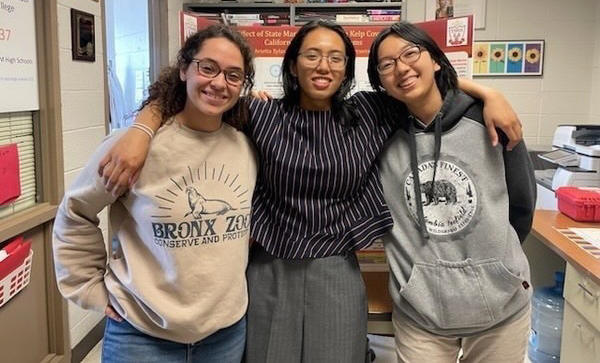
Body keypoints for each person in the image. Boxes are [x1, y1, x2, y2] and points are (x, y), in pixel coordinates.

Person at [97, 20, 523, 362]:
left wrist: (490, 93)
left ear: (347, 70)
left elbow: (423, 86)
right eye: (312, 55)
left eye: (336, 58)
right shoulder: (260, 114)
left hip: (336, 267)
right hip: (268, 267)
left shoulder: (371, 113)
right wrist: (141, 127)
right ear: (293, 64)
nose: (324, 66)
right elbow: (194, 95)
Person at [52, 24, 258, 363]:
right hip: (142, 337)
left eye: (234, 75)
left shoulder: (246, 148)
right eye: (208, 68)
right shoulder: (133, 148)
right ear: (183, 69)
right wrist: (88, 288)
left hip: (224, 335)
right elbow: (76, 210)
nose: (219, 83)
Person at [367, 22, 535, 363]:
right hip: (421, 312)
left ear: (436, 61)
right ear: (381, 81)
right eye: (386, 65)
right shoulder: (377, 131)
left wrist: (496, 270)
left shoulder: (490, 120)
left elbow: (521, 206)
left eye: (410, 53)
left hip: (501, 309)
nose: (400, 68)